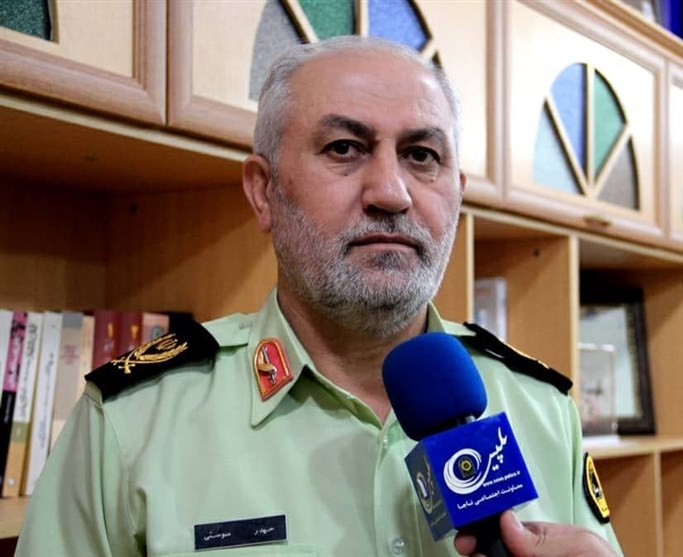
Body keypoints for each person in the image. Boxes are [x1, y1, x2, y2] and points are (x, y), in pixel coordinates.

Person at [15, 36, 622, 557]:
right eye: (344, 149)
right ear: (263, 192)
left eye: (421, 156)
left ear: (457, 195)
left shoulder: (545, 410)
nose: (392, 192)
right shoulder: (128, 424)